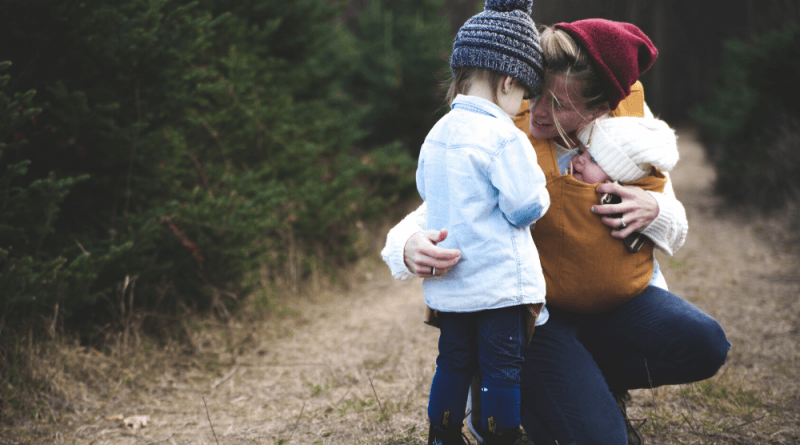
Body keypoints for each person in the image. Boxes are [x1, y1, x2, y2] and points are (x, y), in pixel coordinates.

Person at [381, 18, 731, 445]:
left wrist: (655, 209)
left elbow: (674, 224)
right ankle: (500, 381)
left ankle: (579, 386)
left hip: (615, 304)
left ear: (601, 108)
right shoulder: (503, 126)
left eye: (560, 105)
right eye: (537, 93)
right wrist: (405, 245)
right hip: (537, 317)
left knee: (706, 343)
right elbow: (442, 203)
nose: (540, 112)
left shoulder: (629, 131)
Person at [417, 1, 548, 444]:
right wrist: (542, 190)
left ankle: (442, 434)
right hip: (498, 285)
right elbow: (525, 206)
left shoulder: (437, 133)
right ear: (508, 81)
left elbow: (427, 190)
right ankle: (502, 435)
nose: (522, 106)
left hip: (453, 284)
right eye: (523, 95)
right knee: (500, 367)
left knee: (452, 360)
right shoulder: (503, 135)